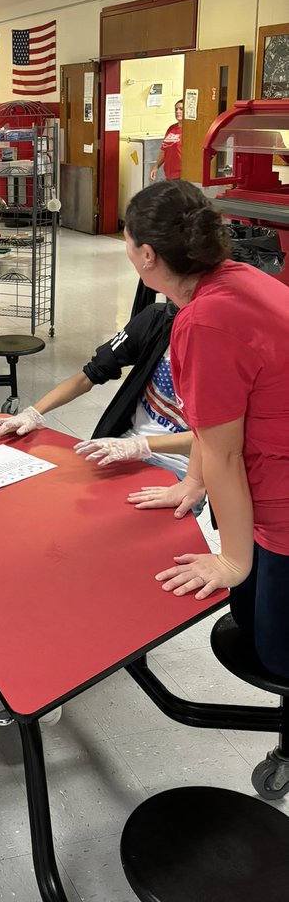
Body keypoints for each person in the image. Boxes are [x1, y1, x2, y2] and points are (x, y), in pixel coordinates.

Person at [123, 179, 289, 678]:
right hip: (269, 486)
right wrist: (193, 483)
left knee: (276, 654)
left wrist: (232, 562)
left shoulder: (204, 322)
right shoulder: (236, 278)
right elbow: (216, 422)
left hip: (280, 505)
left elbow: (225, 453)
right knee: (250, 618)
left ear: (147, 255)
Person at [0, 300, 199, 508]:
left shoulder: (220, 346)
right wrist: (33, 412)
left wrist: (142, 445)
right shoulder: (158, 319)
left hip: (182, 468)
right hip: (122, 448)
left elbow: (217, 439)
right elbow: (90, 375)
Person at [150, 100, 183, 181]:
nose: (178, 111)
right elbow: (164, 149)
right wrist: (156, 166)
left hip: (182, 174)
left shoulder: (189, 130)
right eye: (176, 109)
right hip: (169, 174)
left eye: (181, 109)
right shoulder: (171, 128)